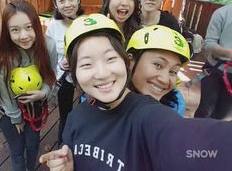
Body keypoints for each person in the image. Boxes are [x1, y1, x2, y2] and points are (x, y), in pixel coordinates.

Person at [39, 13, 232, 171]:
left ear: (125, 62)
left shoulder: (148, 117)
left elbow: (193, 144)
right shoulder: (77, 117)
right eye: (87, 64)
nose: (102, 73)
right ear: (74, 72)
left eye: (110, 59)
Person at [0, 0, 56, 171]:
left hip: (35, 104)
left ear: (36, 24)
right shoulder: (3, 56)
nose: (24, 35)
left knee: (33, 143)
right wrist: (16, 118)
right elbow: (2, 90)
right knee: (17, 150)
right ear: (7, 32)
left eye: (28, 27)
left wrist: (44, 93)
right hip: (7, 109)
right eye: (15, 30)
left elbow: (50, 76)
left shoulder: (48, 46)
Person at [46, 0, 85, 145]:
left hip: (86, 76)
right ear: (55, 4)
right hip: (64, 79)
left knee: (88, 111)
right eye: (61, 1)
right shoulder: (53, 27)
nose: (67, 4)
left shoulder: (87, 22)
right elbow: (48, 57)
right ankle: (64, 143)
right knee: (65, 114)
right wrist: (59, 64)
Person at [126, 25, 187, 115]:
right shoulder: (104, 94)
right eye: (158, 65)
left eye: (173, 72)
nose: (165, 80)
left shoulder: (174, 105)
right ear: (130, 61)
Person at [194, 4, 232, 119]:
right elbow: (209, 43)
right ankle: (194, 134)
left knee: (224, 114)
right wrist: (229, 53)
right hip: (214, 68)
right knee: (205, 109)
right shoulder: (222, 13)